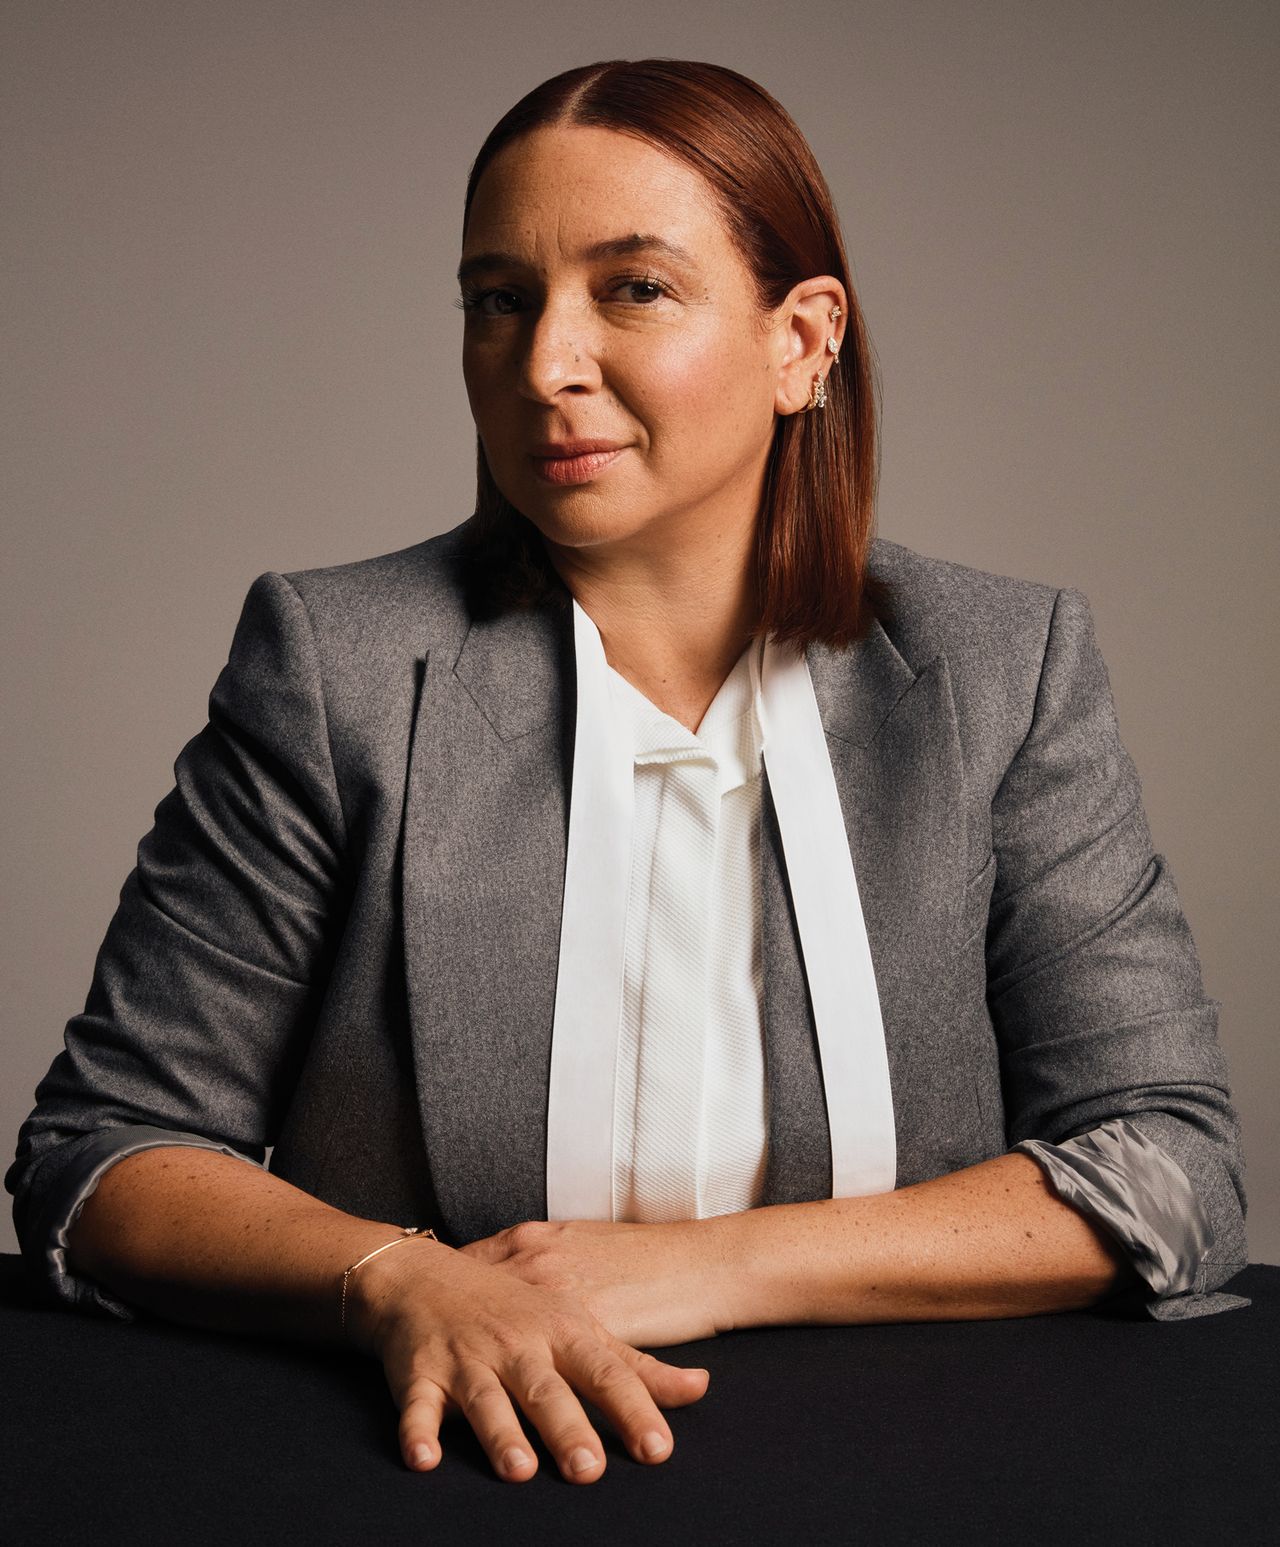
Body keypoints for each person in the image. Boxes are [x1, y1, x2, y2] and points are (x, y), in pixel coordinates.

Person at [6, 58, 1248, 1488]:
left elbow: (1170, 1165)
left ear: (804, 342)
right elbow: (106, 1154)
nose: (545, 364)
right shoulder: (338, 665)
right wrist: (400, 1283)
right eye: (499, 299)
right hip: (439, 1474)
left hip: (906, 1472)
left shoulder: (1002, 667)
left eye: (635, 289)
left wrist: (709, 1265)